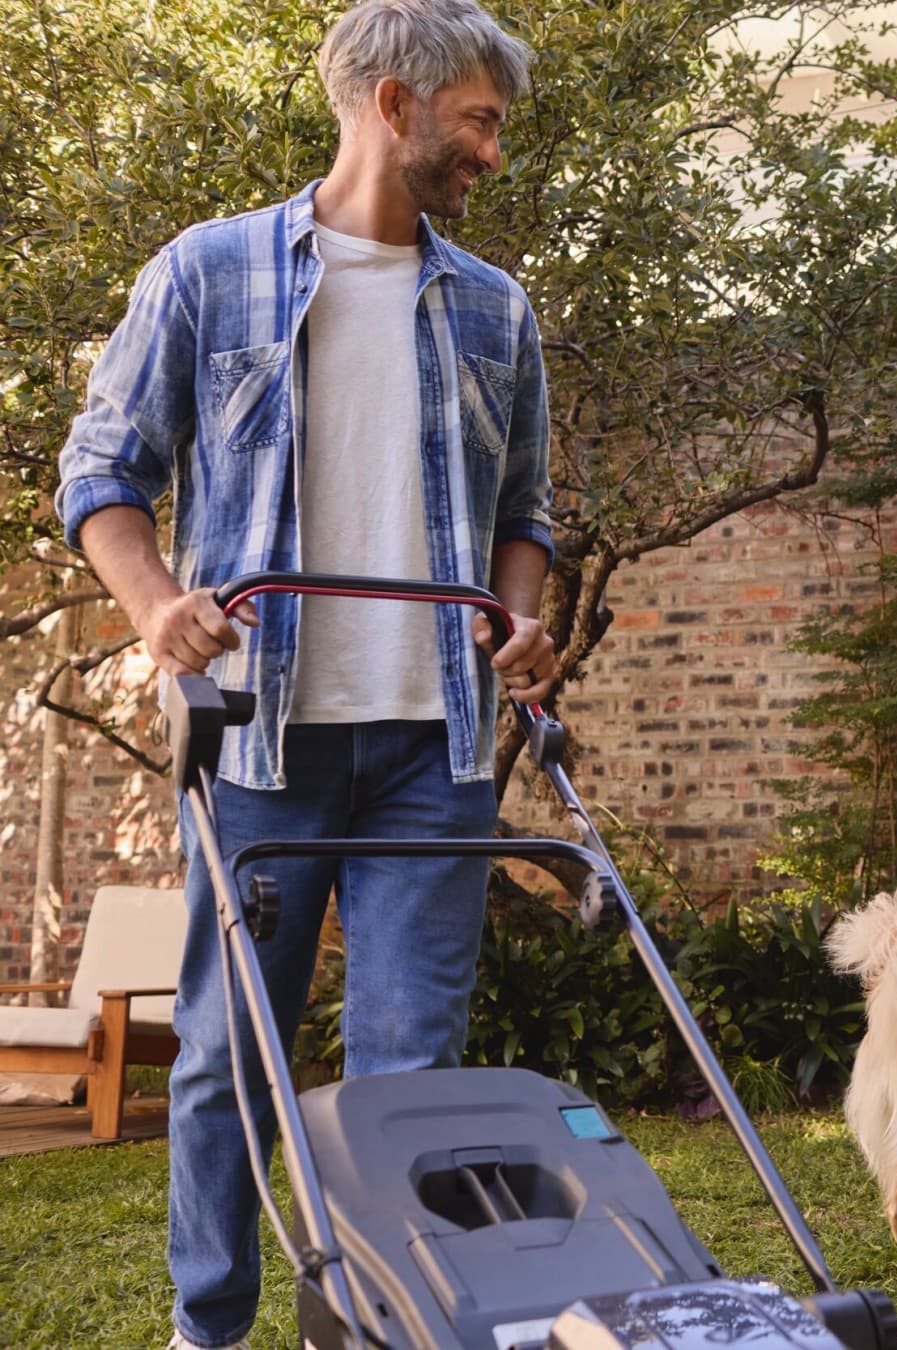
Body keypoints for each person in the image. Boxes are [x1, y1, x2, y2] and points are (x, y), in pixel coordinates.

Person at [54, 3, 554, 1345]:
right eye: (480, 122)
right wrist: (158, 606)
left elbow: (528, 516)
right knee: (224, 1064)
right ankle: (206, 1327)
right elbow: (102, 472)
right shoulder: (208, 274)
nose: (493, 154)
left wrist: (519, 622)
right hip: (262, 747)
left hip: (430, 751)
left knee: (410, 1081)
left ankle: (388, 1324)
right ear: (395, 107)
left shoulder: (496, 309)